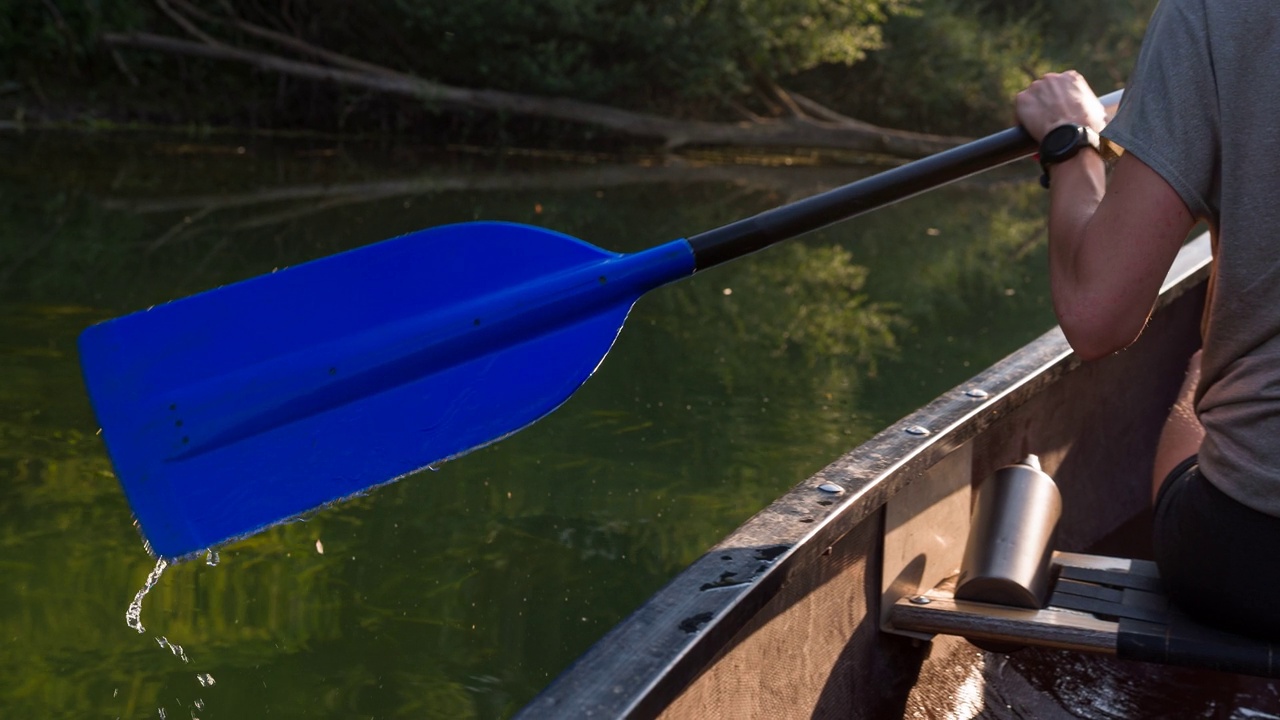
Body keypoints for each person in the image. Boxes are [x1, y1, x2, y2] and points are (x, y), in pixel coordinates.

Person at [1014, 0, 1280, 640]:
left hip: (1256, 558)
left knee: (1196, 378)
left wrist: (1072, 142)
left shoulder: (1215, 14)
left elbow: (1097, 314)